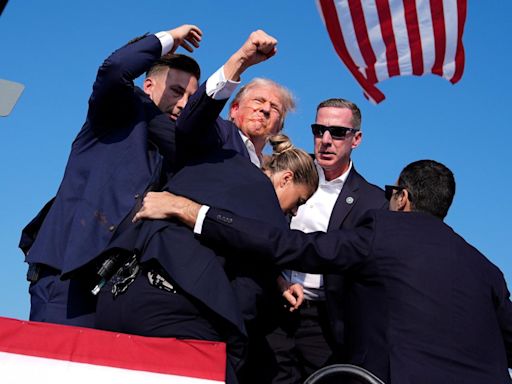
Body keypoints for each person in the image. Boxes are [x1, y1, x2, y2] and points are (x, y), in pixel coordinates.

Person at [158, 160, 512, 384]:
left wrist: (197, 213)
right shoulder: (487, 270)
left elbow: (293, 246)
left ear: (402, 198)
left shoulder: (383, 234)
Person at [19, 27, 281, 328]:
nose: (183, 103)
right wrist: (169, 38)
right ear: (148, 86)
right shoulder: (114, 113)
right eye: (176, 91)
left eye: (190, 97)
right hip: (68, 275)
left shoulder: (179, 146)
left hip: (118, 288)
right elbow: (115, 68)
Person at [94, 134, 318, 384]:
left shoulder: (219, 163)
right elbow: (247, 297)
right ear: (286, 179)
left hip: (117, 296)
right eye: (299, 200)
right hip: (177, 321)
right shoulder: (271, 215)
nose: (296, 211)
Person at [267, 98, 387, 383]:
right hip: (272, 309)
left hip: (326, 324)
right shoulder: (283, 174)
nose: (326, 140)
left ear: (356, 139)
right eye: (319, 130)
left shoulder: (374, 201)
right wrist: (276, 280)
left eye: (337, 132)